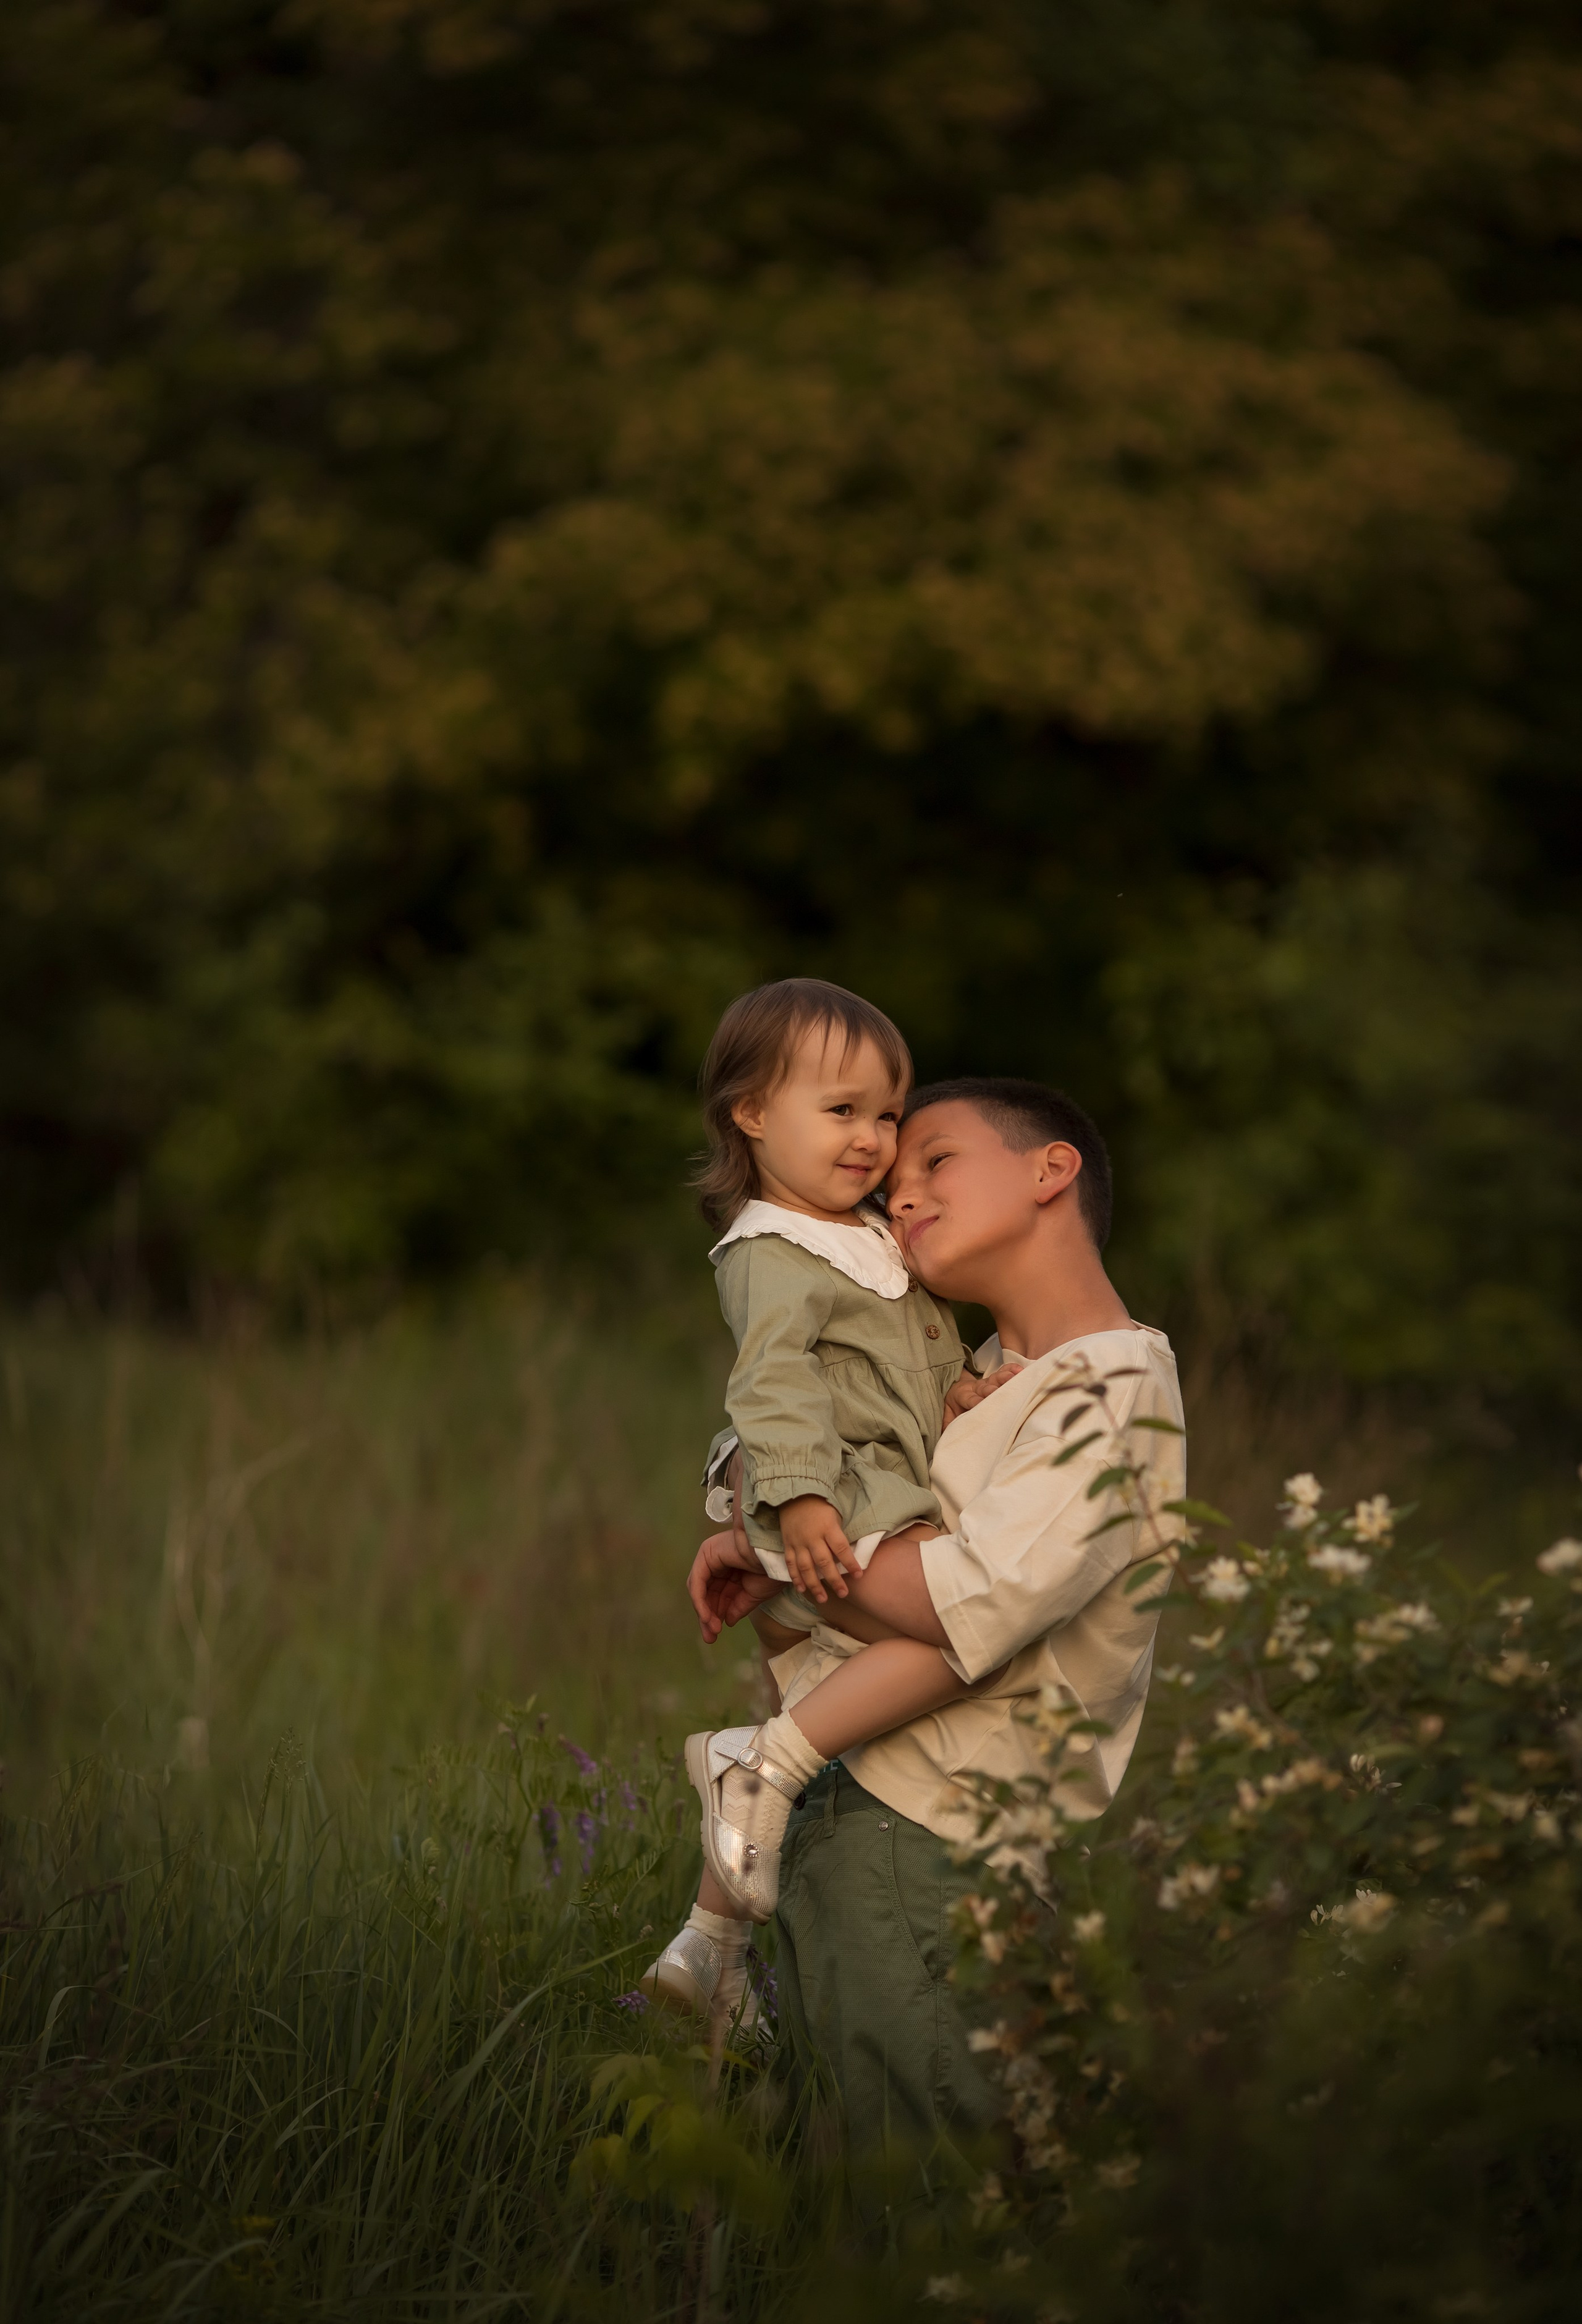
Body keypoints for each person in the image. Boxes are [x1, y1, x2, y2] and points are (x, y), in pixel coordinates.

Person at [683, 1076, 1186, 2160]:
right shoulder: (972, 1384)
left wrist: (778, 1534)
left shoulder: (1114, 1378)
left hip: (938, 1833)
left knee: (942, 2202)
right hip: (869, 1819)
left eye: (935, 1162)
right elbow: (850, 1606)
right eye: (893, 1184)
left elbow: (968, 1605)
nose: (899, 1197)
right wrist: (773, 1550)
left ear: (1052, 1170)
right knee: (909, 2199)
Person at [639, 979, 1017, 2027]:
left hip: (869, 1491)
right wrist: (802, 1500)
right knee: (968, 1633)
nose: (871, 1137)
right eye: (840, 1110)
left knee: (859, 1722)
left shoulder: (862, 1233)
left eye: (887, 1113)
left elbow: (903, 1362)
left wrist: (962, 1394)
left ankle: (712, 1948)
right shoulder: (771, 1249)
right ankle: (751, 1763)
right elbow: (774, 1384)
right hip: (838, 1495)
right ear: (751, 1114)